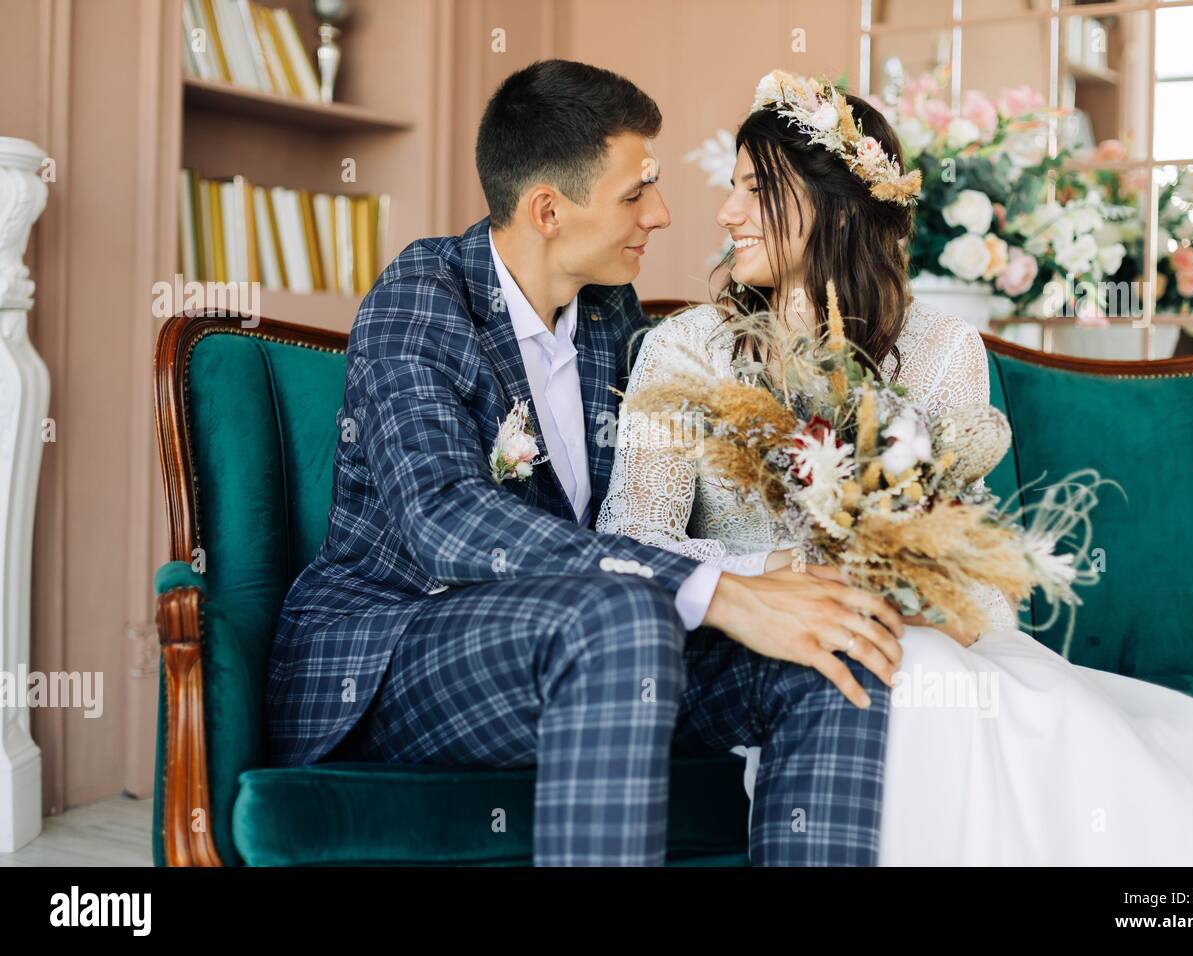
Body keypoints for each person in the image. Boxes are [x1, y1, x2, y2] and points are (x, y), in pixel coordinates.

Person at [596, 70, 1193, 864]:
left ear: (831, 205)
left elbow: (976, 575)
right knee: (900, 672)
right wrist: (782, 569)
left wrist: (916, 588)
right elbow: (629, 541)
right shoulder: (683, 350)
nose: (727, 214)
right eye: (733, 187)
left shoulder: (941, 350)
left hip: (930, 636)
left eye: (757, 190)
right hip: (767, 653)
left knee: (1012, 700)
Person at [265, 59, 908, 867]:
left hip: (583, 643)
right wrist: (719, 593)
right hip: (391, 654)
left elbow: (634, 514)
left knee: (829, 646)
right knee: (626, 616)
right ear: (548, 210)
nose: (667, 214)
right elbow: (442, 518)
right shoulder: (422, 295)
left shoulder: (611, 314)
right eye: (636, 194)